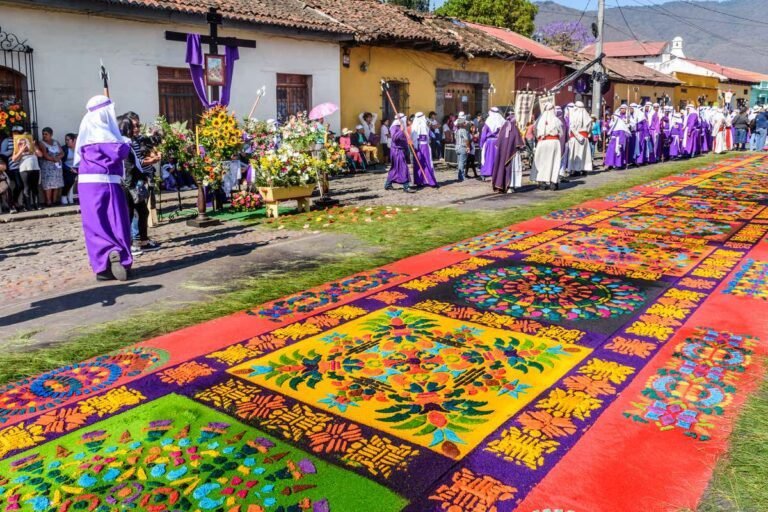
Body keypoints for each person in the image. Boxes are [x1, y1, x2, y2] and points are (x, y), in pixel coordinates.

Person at [74, 95, 133, 281]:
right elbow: (119, 152)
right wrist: (126, 141)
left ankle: (102, 266)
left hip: (86, 184)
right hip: (105, 182)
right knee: (115, 220)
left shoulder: (86, 137)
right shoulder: (102, 133)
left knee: (95, 224)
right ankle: (119, 256)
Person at [533, 103, 564, 190]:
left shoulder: (539, 120)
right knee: (554, 162)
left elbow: (535, 131)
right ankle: (553, 182)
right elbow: (561, 133)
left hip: (542, 143)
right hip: (554, 142)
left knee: (542, 162)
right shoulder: (556, 120)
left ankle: (542, 182)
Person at [492, 113, 524, 193]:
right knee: (511, 168)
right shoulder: (514, 128)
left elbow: (499, 142)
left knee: (502, 167)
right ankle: (510, 186)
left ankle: (502, 185)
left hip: (502, 153)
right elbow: (518, 143)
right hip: (512, 154)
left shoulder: (503, 128)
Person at [11, 126, 42, 211]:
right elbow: (14, 159)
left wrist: (34, 147)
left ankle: (37, 204)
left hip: (35, 168)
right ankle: (28, 205)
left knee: (35, 187)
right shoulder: (18, 148)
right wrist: (21, 150)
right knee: (26, 187)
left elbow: (40, 155)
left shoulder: (33, 147)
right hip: (24, 169)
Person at [384, 113, 414, 193]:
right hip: (396, 150)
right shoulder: (394, 127)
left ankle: (388, 184)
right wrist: (401, 130)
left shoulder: (403, 127)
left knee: (395, 168)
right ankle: (406, 186)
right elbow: (394, 138)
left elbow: (405, 138)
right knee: (403, 167)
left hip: (402, 149)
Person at [0, 125, 26, 213]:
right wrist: (13, 151)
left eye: (18, 133)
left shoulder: (23, 140)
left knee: (22, 185)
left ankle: (18, 202)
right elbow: (2, 153)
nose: (15, 134)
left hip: (23, 165)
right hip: (12, 167)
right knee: (18, 185)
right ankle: (13, 203)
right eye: (14, 133)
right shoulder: (7, 141)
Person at [38, 127, 64, 206]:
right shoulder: (41, 143)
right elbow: (45, 155)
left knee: (56, 183)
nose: (44, 136)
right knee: (48, 184)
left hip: (57, 166)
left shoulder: (56, 142)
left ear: (51, 134)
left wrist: (58, 157)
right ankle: (48, 201)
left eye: (46, 134)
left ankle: (54, 200)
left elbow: (62, 152)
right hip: (47, 165)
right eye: (43, 134)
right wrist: (54, 159)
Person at [410, 112, 438, 188]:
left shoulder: (424, 125)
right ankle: (421, 181)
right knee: (422, 163)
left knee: (426, 163)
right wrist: (416, 146)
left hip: (424, 146)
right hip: (420, 146)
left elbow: (429, 135)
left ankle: (427, 180)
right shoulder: (416, 126)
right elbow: (414, 137)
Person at [566, 101, 593, 177]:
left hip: (576, 138)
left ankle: (577, 170)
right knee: (584, 154)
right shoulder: (588, 117)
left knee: (577, 154)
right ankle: (584, 169)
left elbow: (572, 128)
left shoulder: (574, 116)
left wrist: (578, 136)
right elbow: (590, 129)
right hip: (584, 138)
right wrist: (586, 135)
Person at [479, 107, 504, 181]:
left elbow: (484, 134)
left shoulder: (488, 121)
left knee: (487, 157)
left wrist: (481, 143)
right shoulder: (502, 120)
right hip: (498, 142)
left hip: (489, 142)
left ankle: (485, 173)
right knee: (496, 158)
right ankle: (496, 173)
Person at [605, 106, 630, 170]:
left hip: (618, 141)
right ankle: (610, 164)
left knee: (618, 153)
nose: (612, 119)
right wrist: (605, 129)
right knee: (610, 153)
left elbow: (621, 134)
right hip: (612, 141)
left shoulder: (620, 125)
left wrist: (620, 143)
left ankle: (618, 165)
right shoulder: (613, 124)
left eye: (613, 118)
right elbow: (610, 131)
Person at [62, 133, 78, 205]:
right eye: (66, 140)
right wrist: (69, 169)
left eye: (68, 140)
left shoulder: (79, 148)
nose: (66, 141)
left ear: (74, 140)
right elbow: (61, 162)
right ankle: (64, 195)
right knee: (70, 178)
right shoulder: (64, 149)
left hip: (78, 168)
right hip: (67, 169)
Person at [454, 115, 470, 182]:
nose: (466, 123)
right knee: (462, 163)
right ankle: (462, 177)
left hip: (457, 147)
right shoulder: (463, 130)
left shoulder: (457, 131)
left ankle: (459, 176)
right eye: (465, 123)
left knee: (459, 163)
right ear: (462, 124)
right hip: (462, 147)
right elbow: (466, 139)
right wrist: (468, 147)